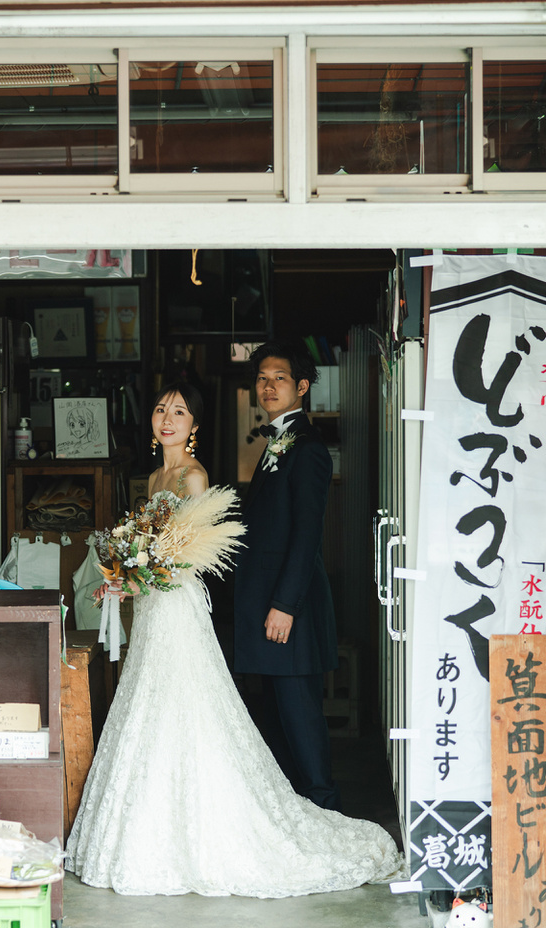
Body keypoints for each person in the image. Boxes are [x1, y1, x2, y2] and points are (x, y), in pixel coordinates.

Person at [66, 382, 401, 897]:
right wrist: (126, 575)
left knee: (188, 703)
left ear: (194, 426)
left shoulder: (194, 477)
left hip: (177, 609)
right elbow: (156, 550)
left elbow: (190, 558)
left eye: (179, 411)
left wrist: (139, 572)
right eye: (161, 409)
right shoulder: (155, 477)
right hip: (155, 610)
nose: (167, 418)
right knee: (153, 704)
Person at [234, 341, 340, 810]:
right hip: (268, 603)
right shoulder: (280, 440)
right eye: (261, 378)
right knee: (278, 714)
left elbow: (306, 535)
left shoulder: (309, 448)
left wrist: (285, 605)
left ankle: (325, 810)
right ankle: (300, 812)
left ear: (301, 386)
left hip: (289, 609)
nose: (268, 385)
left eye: (278, 378)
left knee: (300, 717)